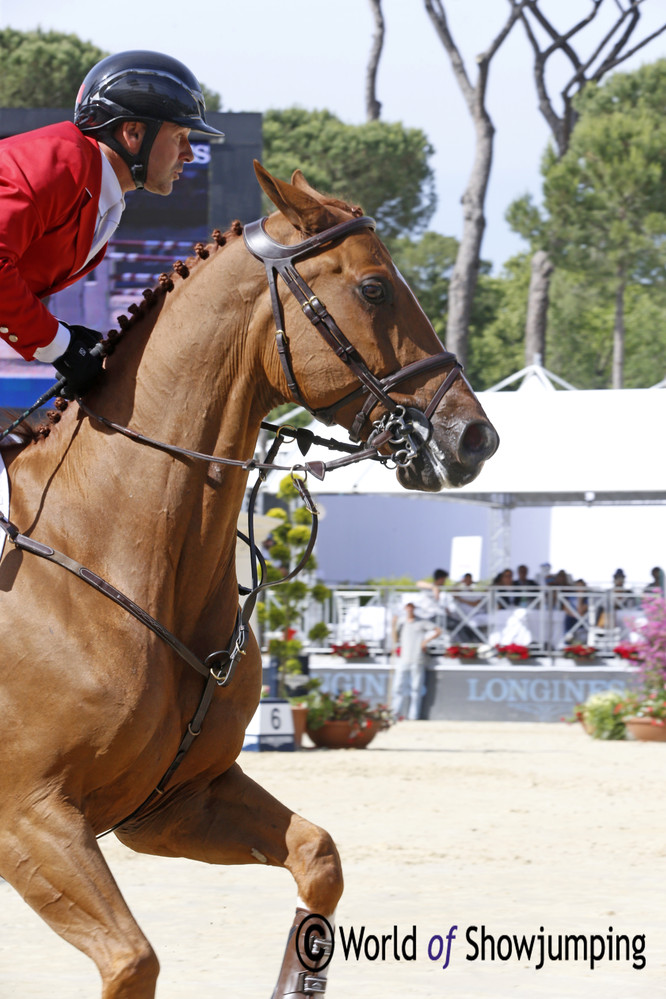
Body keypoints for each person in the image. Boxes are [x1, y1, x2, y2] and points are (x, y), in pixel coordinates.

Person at [0, 49, 223, 398]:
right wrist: (58, 344)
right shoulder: (58, 164)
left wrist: (63, 337)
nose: (189, 153)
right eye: (180, 135)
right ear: (133, 133)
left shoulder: (99, 193)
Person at [391, 602, 441, 721]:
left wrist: (425, 642)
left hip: (417, 658)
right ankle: (394, 713)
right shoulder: (401, 623)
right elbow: (395, 639)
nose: (409, 609)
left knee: (416, 688)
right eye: (408, 607)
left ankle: (414, 715)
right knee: (397, 687)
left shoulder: (421, 622)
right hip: (403, 658)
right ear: (405, 608)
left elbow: (438, 630)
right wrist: (393, 625)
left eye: (411, 607)